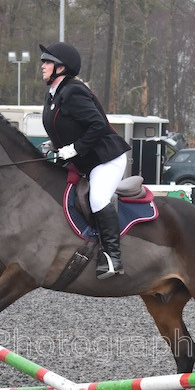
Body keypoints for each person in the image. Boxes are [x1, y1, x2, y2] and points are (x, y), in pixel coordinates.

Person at [39, 42, 130, 279]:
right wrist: (56, 145)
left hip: (105, 158)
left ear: (61, 67)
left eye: (47, 61)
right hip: (86, 161)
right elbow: (68, 127)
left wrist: (74, 149)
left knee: (98, 198)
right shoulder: (53, 95)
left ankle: (113, 257)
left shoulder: (73, 91)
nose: (43, 66)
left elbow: (98, 124)